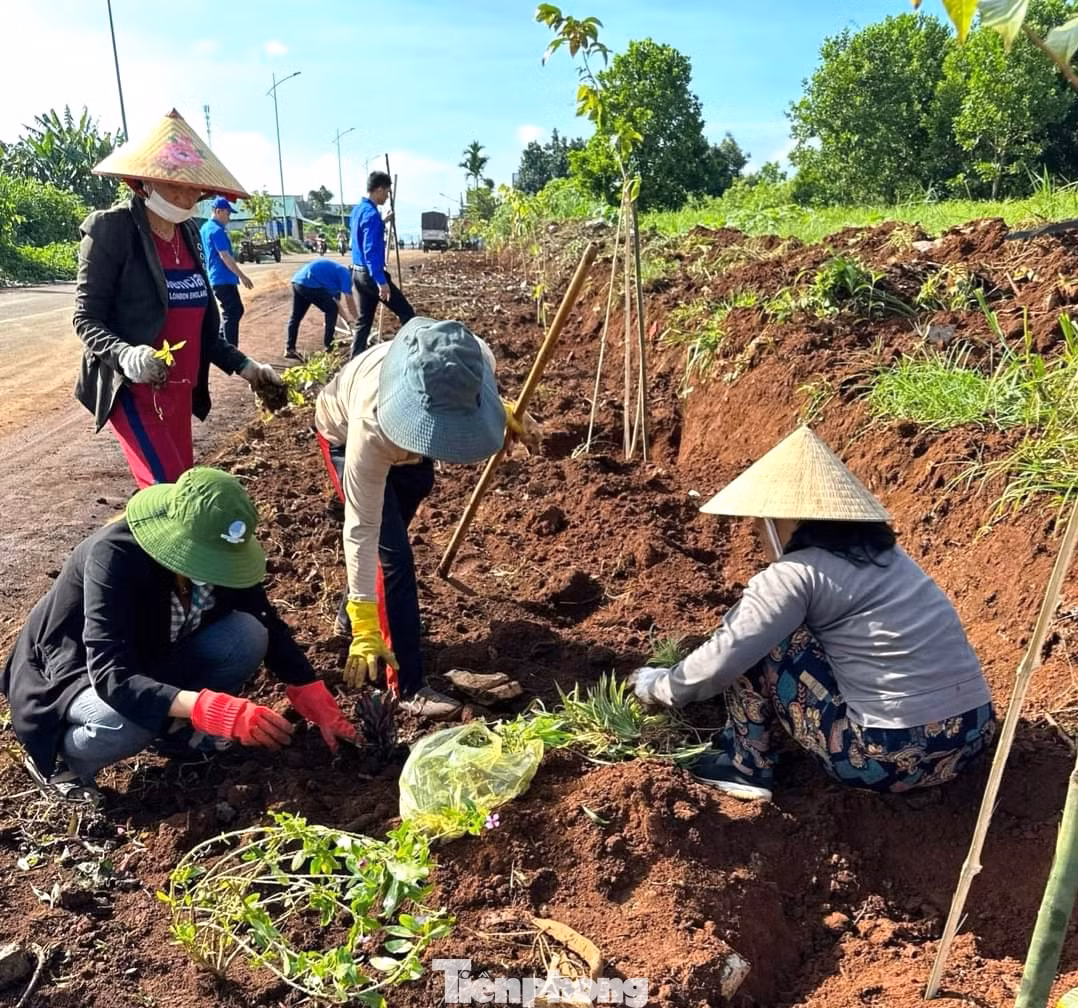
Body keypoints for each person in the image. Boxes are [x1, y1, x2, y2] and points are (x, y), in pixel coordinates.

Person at [631, 426, 996, 802]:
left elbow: (725, 657)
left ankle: (746, 764)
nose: (758, 533)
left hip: (884, 760)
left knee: (768, 640)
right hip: (973, 740)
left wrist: (658, 686)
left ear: (784, 520)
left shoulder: (795, 574)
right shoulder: (892, 560)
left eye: (759, 523)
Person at [1, 467, 357, 806]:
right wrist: (207, 708)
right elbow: (113, 677)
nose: (217, 568)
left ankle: (175, 732)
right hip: (73, 675)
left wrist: (308, 689)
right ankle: (63, 762)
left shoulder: (222, 553)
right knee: (128, 723)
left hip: (149, 656)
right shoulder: (115, 556)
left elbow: (265, 618)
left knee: (247, 635)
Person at [315, 317, 539, 719]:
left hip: (405, 451)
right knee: (392, 559)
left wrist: (497, 412)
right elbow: (361, 528)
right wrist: (366, 622)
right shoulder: (371, 424)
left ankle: (354, 609)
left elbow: (477, 389)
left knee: (417, 486)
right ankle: (407, 686)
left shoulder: (472, 356)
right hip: (343, 436)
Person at [75, 108, 282, 489]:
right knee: (171, 495)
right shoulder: (111, 230)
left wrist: (247, 367)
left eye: (193, 188)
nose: (186, 196)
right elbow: (86, 319)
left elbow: (202, 331)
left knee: (176, 490)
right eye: (175, 185)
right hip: (134, 390)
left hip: (179, 391)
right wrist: (126, 355)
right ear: (143, 182)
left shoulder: (188, 234)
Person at [349, 170, 414, 357]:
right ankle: (409, 355)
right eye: (386, 192)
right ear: (378, 189)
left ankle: (355, 359)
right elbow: (370, 251)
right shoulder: (371, 214)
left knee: (364, 321)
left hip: (357, 274)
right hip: (371, 275)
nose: (387, 197)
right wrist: (381, 281)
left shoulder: (358, 210)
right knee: (407, 313)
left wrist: (383, 221)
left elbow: (362, 235)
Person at [200, 195, 254, 347]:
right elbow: (225, 256)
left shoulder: (204, 228)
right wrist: (242, 276)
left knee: (233, 311)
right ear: (218, 211)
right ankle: (230, 350)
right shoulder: (217, 230)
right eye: (228, 213)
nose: (229, 217)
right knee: (233, 312)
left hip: (216, 277)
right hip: (222, 277)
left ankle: (220, 344)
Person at [285, 258, 359, 359]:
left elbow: (337, 304)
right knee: (331, 310)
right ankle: (329, 345)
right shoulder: (346, 275)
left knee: (296, 317)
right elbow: (349, 300)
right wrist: (359, 321)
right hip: (309, 283)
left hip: (298, 282)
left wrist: (349, 321)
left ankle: (290, 349)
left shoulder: (335, 277)